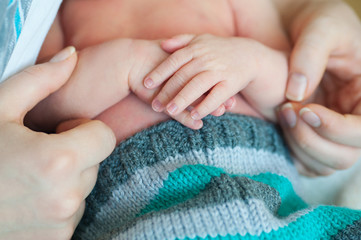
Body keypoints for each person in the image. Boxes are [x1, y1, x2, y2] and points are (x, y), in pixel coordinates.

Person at [1, 0, 361, 239]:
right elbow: (41, 108)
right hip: (134, 201)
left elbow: (293, 96)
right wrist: (124, 65)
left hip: (265, 180)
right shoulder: (65, 8)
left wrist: (250, 62)